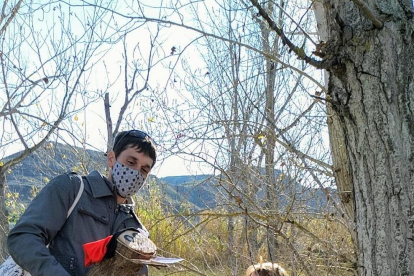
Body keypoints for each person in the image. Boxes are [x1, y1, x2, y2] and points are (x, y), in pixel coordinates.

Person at [7, 130, 157, 276]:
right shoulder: (72, 189)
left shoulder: (137, 230)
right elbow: (23, 238)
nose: (136, 173)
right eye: (131, 162)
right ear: (112, 158)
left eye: (144, 170)